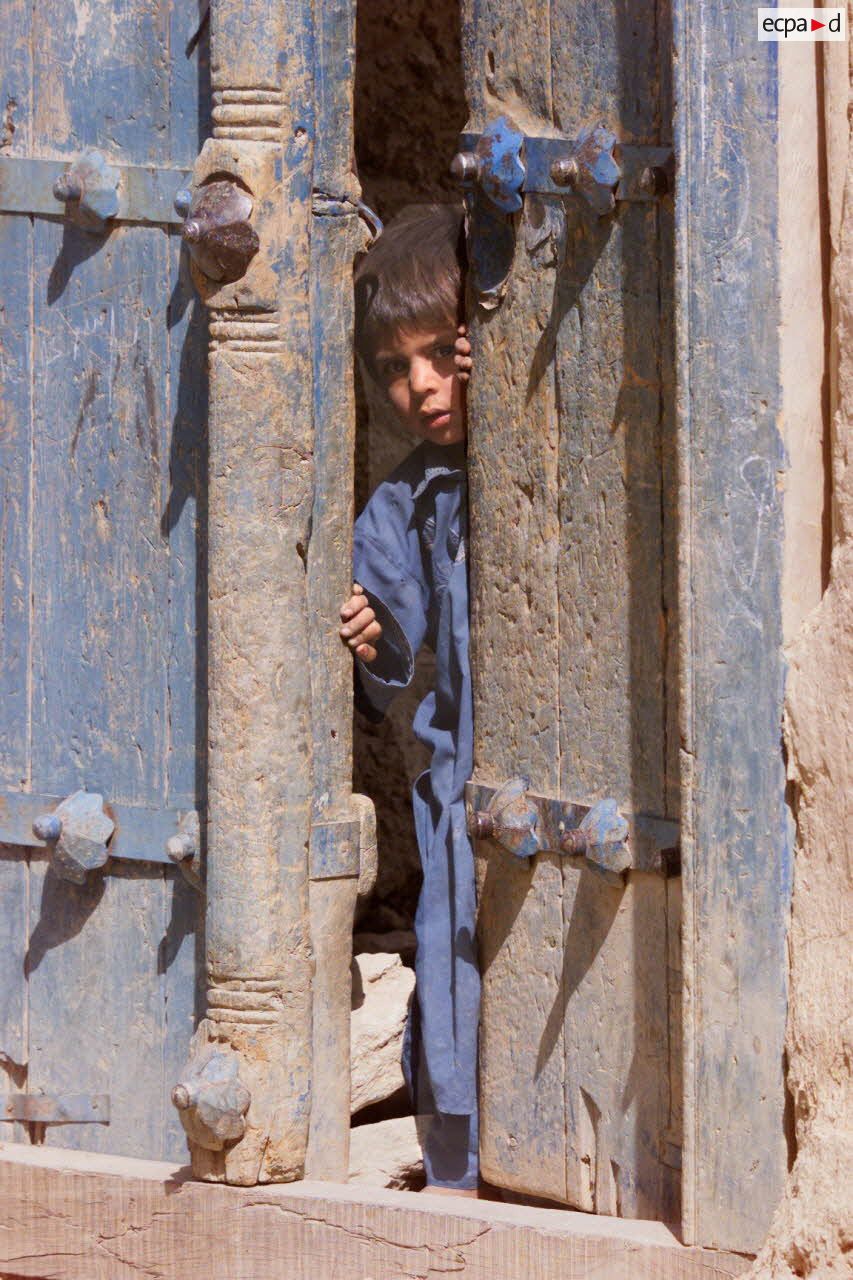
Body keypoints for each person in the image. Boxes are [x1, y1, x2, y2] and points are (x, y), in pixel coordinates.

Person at [339, 204, 478, 1195]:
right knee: (454, 976)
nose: (420, 385)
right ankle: (458, 1176)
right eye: (395, 368)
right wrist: (370, 638)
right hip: (458, 794)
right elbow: (381, 660)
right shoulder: (406, 501)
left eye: (441, 353)